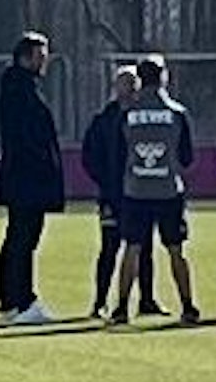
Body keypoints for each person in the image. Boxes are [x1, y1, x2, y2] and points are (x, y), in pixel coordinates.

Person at [109, 56, 201, 326]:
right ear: (163, 77)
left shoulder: (127, 114)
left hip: (135, 190)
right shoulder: (177, 113)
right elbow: (187, 158)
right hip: (168, 190)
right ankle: (188, 306)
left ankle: (121, 308)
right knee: (176, 250)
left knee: (132, 249)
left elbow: (117, 155)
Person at [80, 65, 168, 319]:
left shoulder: (144, 118)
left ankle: (147, 300)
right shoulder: (103, 120)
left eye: (134, 83)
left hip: (141, 192)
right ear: (115, 87)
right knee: (110, 247)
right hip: (113, 195)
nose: (130, 88)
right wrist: (106, 183)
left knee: (145, 248)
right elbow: (90, 157)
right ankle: (99, 302)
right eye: (125, 83)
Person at [0, 32, 65, 325]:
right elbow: (30, 136)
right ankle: (22, 301)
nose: (44, 60)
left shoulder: (19, 87)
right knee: (24, 239)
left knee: (17, 238)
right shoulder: (21, 90)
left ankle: (11, 300)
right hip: (27, 177)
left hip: (21, 176)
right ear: (26, 58)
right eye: (40, 55)